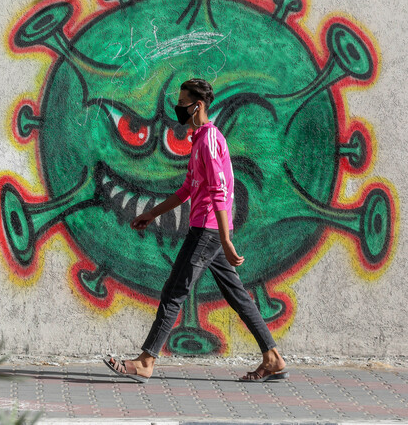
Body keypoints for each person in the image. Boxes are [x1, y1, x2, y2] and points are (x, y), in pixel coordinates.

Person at [104, 78, 288, 383]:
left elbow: (218, 190)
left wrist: (226, 239)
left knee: (174, 292)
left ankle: (146, 361)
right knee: (236, 293)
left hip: (207, 231)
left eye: (182, 102)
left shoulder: (209, 140)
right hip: (209, 229)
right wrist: (151, 213)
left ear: (197, 105)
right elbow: (189, 188)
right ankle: (273, 357)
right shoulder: (201, 138)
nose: (178, 107)